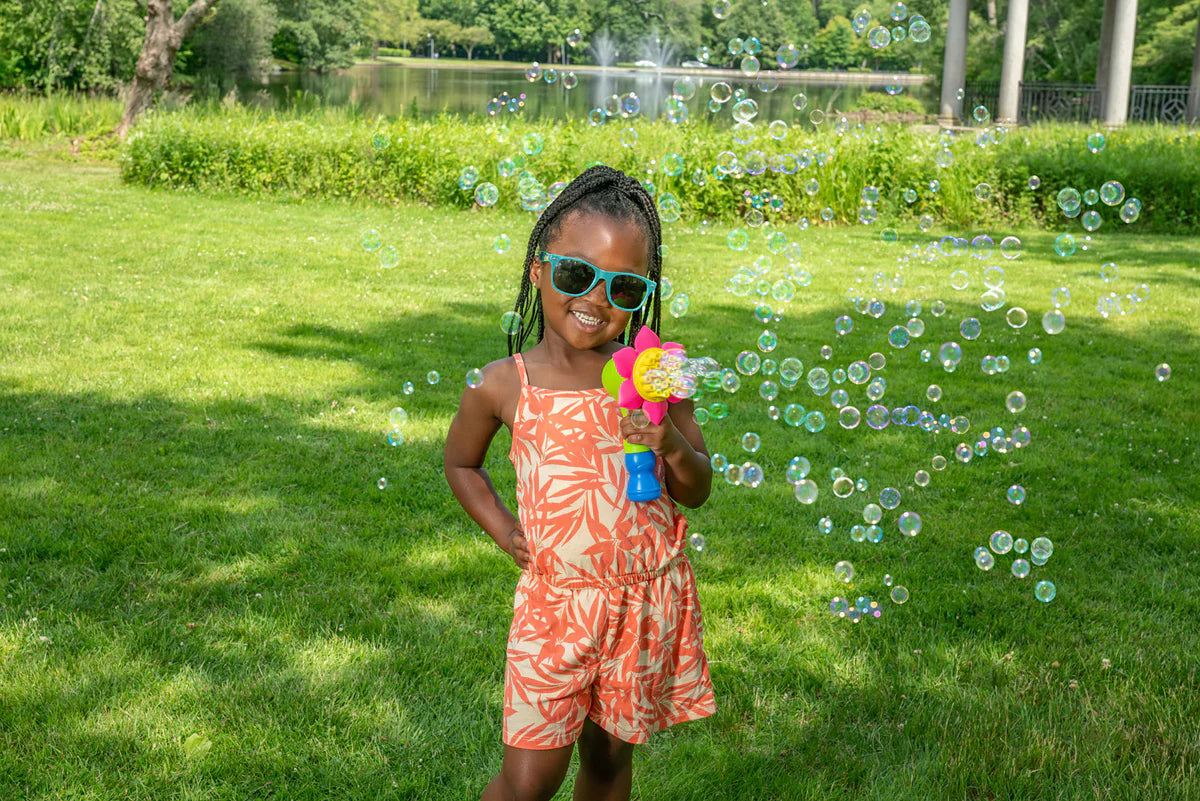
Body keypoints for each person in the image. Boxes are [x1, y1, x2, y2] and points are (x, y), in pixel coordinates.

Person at [444, 165, 716, 801]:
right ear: (539, 270)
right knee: (529, 782)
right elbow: (461, 464)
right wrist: (505, 530)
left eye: (624, 286)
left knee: (609, 762)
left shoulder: (656, 376)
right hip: (557, 608)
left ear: (642, 294)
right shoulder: (502, 383)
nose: (596, 299)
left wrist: (670, 444)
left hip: (643, 603)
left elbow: (698, 488)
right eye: (575, 274)